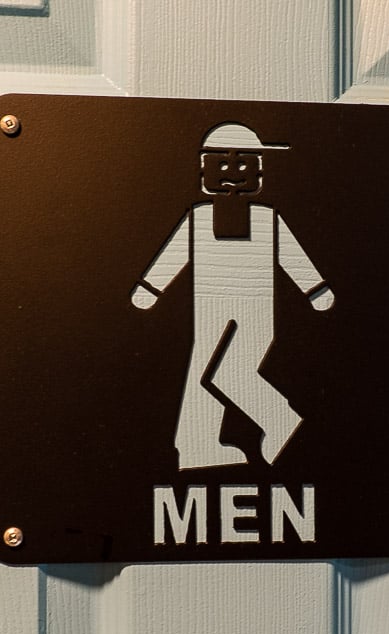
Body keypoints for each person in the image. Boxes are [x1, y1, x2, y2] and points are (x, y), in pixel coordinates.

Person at [131, 123, 334, 469]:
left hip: (256, 305)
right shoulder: (198, 218)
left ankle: (281, 421)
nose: (232, 173)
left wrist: (315, 290)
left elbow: (291, 255)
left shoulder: (267, 219)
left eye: (242, 164)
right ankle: (198, 447)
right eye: (222, 164)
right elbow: (175, 254)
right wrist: (150, 289)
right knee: (201, 369)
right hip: (208, 304)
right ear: (204, 170)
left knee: (229, 372)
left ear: (258, 170)